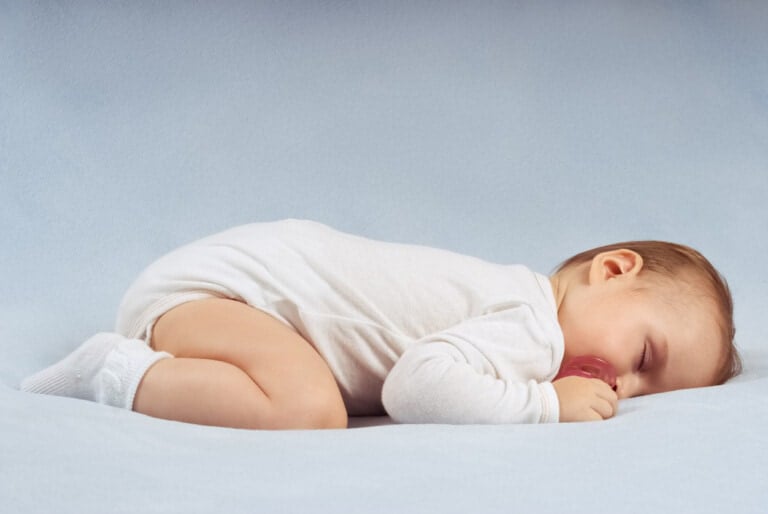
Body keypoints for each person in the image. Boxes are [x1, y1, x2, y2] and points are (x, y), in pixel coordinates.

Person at [20, 219, 741, 429]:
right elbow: (415, 387)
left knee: (303, 393)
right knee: (306, 411)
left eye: (649, 388)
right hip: (222, 291)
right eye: (645, 352)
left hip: (230, 289)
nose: (624, 381)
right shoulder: (532, 323)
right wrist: (544, 405)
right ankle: (111, 372)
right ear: (611, 271)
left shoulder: (514, 306)